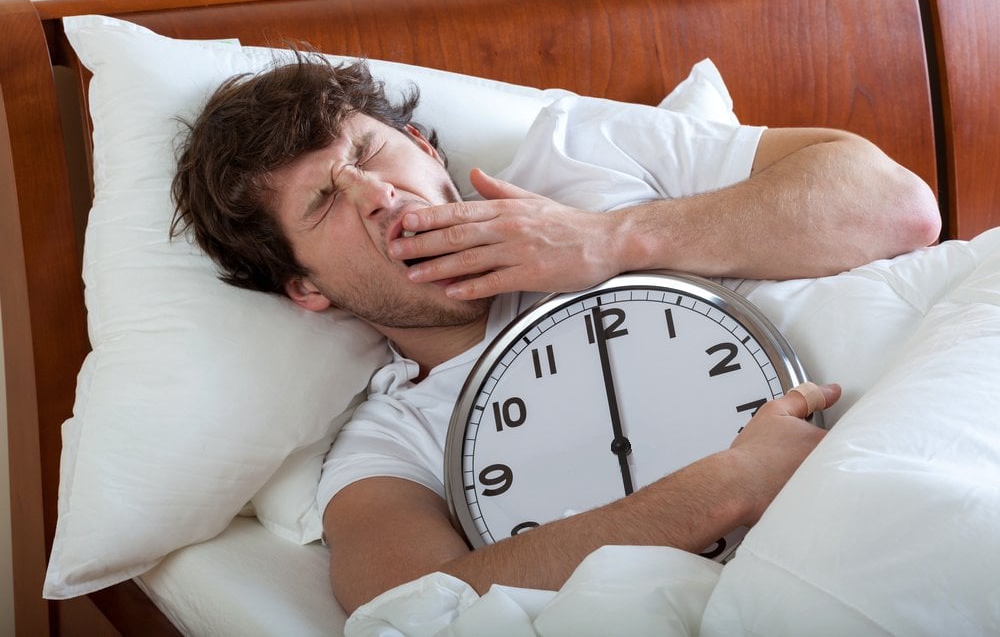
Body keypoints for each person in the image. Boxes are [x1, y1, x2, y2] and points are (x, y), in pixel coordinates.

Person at [171, 53, 941, 615]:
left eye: (370, 152)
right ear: (305, 287)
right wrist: (727, 486)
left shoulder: (586, 158)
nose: (377, 193)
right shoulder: (390, 444)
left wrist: (610, 239)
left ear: (427, 149)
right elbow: (416, 614)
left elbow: (901, 207)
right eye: (323, 201)